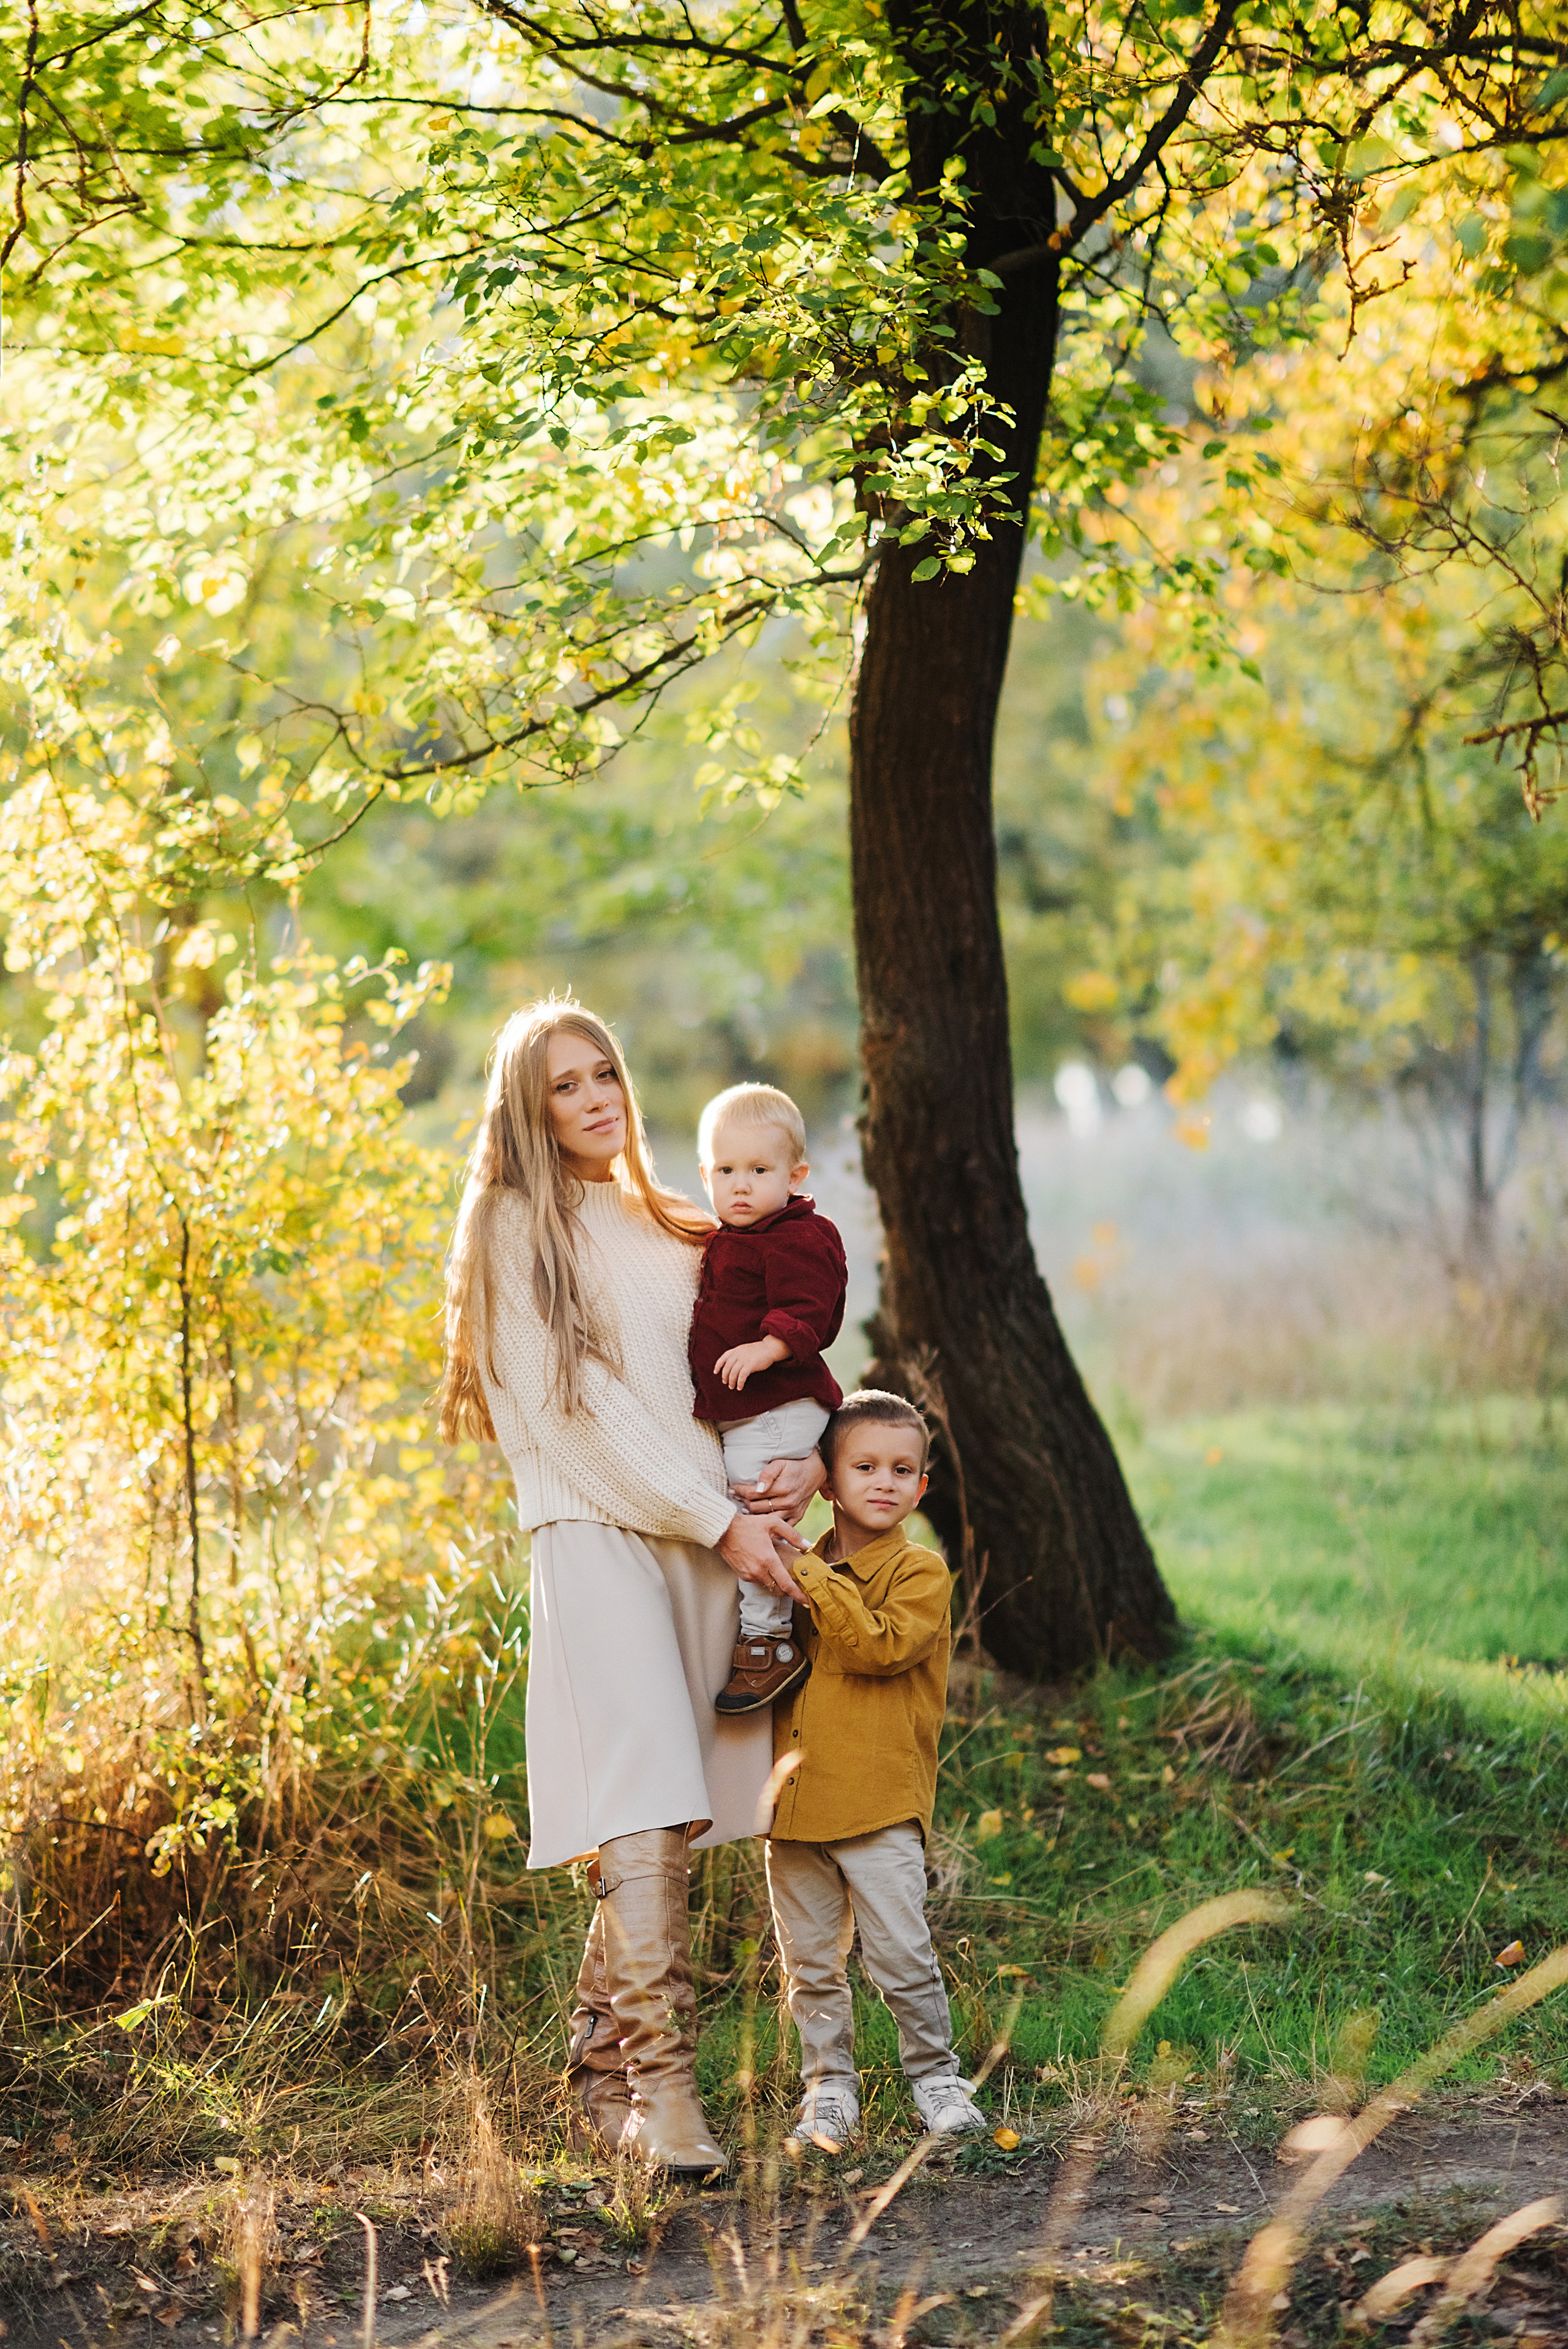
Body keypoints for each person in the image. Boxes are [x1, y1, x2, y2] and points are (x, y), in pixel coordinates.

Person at [439, 998, 823, 2176]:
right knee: (647, 1797)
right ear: (527, 1107)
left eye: (604, 1071)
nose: (597, 1096)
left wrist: (815, 1450)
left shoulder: (683, 1223)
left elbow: (785, 1353)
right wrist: (718, 1520)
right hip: (601, 1529)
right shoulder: (512, 1227)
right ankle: (664, 2094)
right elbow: (577, 1412)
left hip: (705, 1541)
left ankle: (601, 2069)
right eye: (565, 1084)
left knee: (686, 1803)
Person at [764, 1389, 987, 2152]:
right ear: (828, 1477)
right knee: (811, 1964)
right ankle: (828, 2087)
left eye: (902, 1469)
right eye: (864, 1465)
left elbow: (876, 1647)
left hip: (880, 1798)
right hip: (793, 1808)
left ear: (923, 1485)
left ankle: (936, 2078)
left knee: (900, 1953)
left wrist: (809, 1576)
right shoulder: (795, 1564)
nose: (884, 1481)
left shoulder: (920, 1574)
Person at [690, 1082, 848, 1716]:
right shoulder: (727, 1236)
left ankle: (768, 1644)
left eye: (759, 1171)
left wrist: (770, 1347)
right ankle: (769, 1624)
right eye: (725, 1171)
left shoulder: (798, 1235)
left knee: (752, 1514)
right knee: (743, 1509)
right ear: (705, 1174)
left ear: (795, 1174)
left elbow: (815, 1307)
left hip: (781, 1403)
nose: (741, 1185)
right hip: (753, 1413)